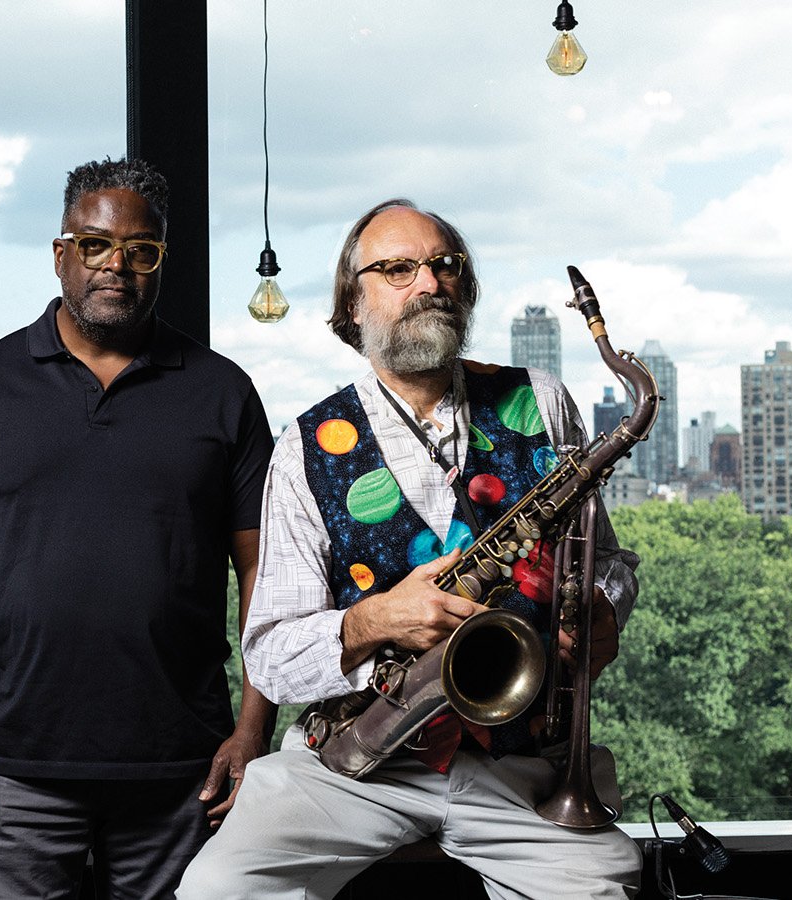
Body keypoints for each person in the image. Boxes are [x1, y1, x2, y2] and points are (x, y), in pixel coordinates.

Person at [177, 199, 643, 899]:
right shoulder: (304, 446)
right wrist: (375, 622)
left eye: (444, 265)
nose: (429, 284)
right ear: (352, 304)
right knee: (216, 890)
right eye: (397, 268)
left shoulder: (540, 401)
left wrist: (601, 606)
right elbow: (269, 652)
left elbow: (608, 562)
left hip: (518, 763)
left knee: (610, 883)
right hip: (355, 762)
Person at [0, 157, 277, 898]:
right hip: (14, 764)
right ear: (60, 253)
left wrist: (253, 726)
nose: (118, 266)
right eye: (96, 245)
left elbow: (268, 570)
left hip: (183, 767)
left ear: (161, 261)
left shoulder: (222, 392)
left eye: (142, 251)